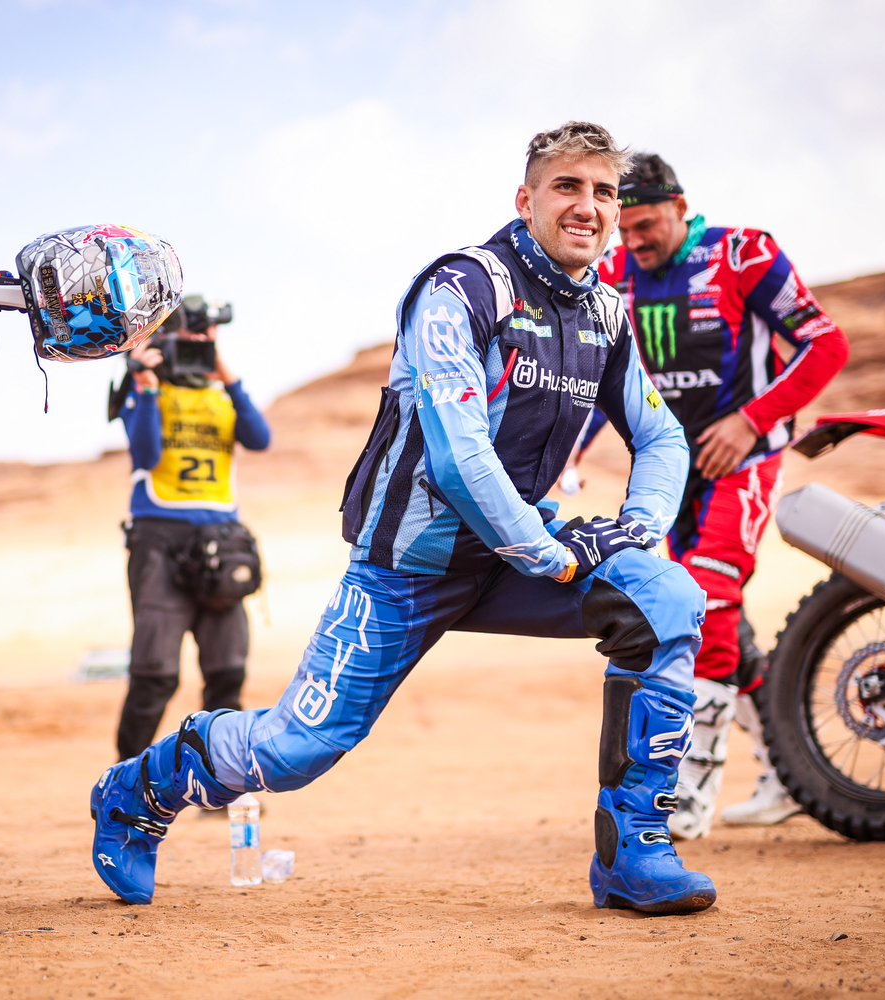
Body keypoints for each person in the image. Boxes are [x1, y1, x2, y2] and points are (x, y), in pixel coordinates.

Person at [90, 121, 720, 916]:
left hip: (515, 559)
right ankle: (139, 789)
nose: (588, 206)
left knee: (666, 599)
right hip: (411, 565)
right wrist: (548, 553)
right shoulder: (461, 289)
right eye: (567, 186)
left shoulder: (604, 311)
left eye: (603, 191)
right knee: (296, 750)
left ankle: (635, 853)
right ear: (525, 200)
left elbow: (662, 436)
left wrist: (635, 529)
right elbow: (458, 455)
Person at [591, 154, 850, 838]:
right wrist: (573, 449)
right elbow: (599, 371)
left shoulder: (743, 254)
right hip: (669, 470)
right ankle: (789, 774)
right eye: (624, 230)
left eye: (646, 226)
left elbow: (826, 345)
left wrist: (751, 421)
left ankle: (688, 795)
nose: (634, 242)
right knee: (703, 619)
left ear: (680, 208)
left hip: (745, 459)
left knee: (710, 595)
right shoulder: (614, 273)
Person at [111, 303, 271, 760]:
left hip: (222, 541)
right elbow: (145, 455)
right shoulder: (142, 391)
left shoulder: (222, 396)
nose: (194, 352)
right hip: (158, 542)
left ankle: (219, 777)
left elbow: (260, 439)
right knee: (155, 675)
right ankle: (125, 779)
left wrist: (227, 375)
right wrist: (145, 386)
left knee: (227, 671)